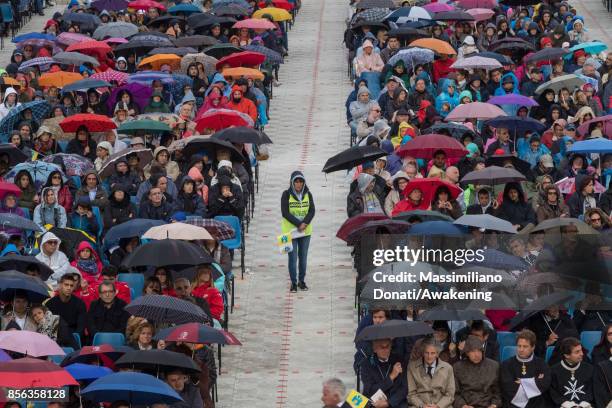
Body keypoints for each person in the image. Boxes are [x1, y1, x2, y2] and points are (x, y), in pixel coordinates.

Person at [281, 171, 315, 293]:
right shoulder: (286, 194)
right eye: (296, 181)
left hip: (305, 231)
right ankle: (294, 283)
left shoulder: (308, 194)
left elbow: (312, 211)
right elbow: (285, 212)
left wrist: (304, 223)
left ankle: (302, 281)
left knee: (303, 257)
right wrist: (298, 223)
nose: (299, 184)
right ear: (292, 182)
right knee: (293, 258)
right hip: (290, 231)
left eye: (301, 181)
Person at [500, 329, 551, 408]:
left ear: (533, 347)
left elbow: (544, 384)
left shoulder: (541, 364)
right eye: (519, 346)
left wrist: (521, 382)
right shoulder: (506, 364)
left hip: (536, 403)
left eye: (525, 346)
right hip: (513, 404)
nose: (521, 349)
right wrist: (534, 381)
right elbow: (508, 387)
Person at [452, 336, 501, 408]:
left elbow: (498, 393)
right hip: (467, 405)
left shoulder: (494, 366)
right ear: (467, 353)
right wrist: (463, 405)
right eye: (473, 351)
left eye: (479, 350)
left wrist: (494, 405)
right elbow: (455, 393)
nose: (477, 354)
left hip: (487, 405)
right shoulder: (457, 367)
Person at [407, 337, 455, 408]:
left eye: (433, 353)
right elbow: (411, 394)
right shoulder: (412, 367)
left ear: (437, 353)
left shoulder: (448, 368)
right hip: (420, 406)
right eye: (427, 353)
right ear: (423, 352)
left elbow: (450, 395)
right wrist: (422, 405)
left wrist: (438, 406)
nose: (429, 356)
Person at [360, 338, 408, 408]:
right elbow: (370, 390)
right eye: (382, 347)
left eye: (387, 346)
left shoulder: (399, 360)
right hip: (374, 403)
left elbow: (404, 389)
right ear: (375, 349)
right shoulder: (366, 364)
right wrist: (391, 377)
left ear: (391, 348)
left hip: (394, 403)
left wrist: (389, 403)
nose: (385, 350)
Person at [549, 337, 594, 408]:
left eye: (581, 350)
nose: (582, 354)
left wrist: (583, 404)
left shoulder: (589, 368)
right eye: (577, 352)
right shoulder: (554, 371)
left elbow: (591, 390)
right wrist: (569, 405)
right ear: (566, 355)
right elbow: (554, 393)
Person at [46, 273, 87, 339]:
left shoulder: (80, 303)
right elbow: (49, 327)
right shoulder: (50, 304)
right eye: (66, 285)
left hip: (74, 337)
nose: (69, 288)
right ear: (60, 285)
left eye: (71, 286)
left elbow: (81, 327)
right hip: (56, 338)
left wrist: (74, 338)